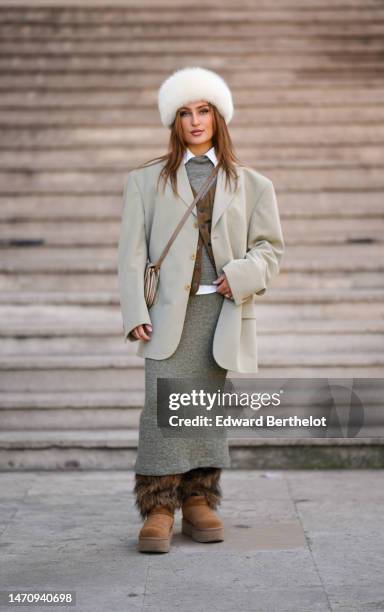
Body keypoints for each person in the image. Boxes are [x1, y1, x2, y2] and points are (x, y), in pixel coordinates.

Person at [118, 66, 285, 553]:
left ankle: (197, 499)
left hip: (222, 313)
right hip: (168, 314)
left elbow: (270, 250)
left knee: (205, 409)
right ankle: (159, 506)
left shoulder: (252, 184)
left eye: (204, 110)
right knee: (160, 407)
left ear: (218, 117)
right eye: (185, 112)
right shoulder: (144, 181)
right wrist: (134, 312)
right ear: (174, 121)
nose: (195, 121)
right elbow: (130, 254)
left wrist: (242, 275)